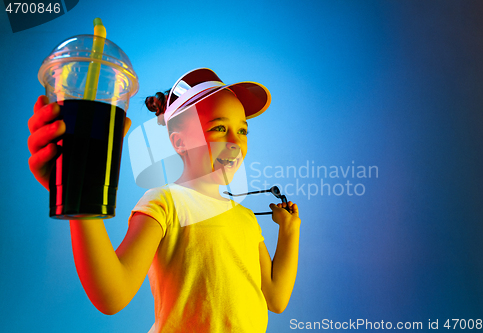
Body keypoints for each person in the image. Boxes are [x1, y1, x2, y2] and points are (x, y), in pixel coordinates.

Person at [27, 68, 301, 333]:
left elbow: (275, 299)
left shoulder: (245, 218)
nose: (235, 143)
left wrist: (290, 231)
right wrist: (79, 194)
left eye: (242, 131)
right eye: (219, 128)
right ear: (180, 142)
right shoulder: (166, 202)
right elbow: (113, 295)